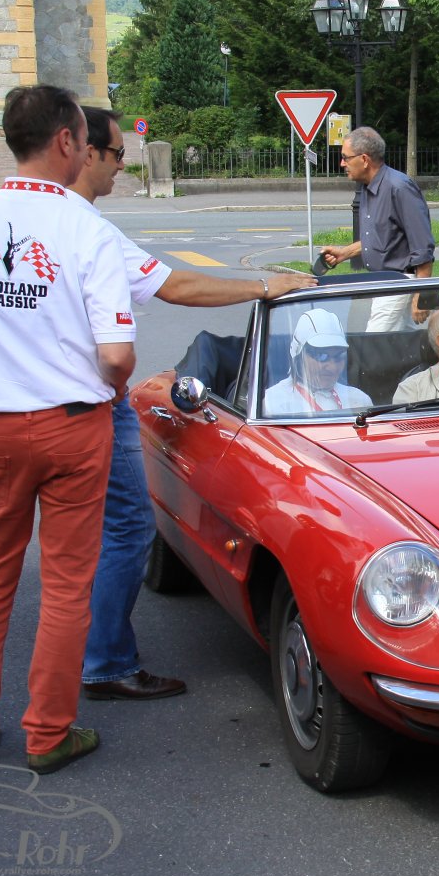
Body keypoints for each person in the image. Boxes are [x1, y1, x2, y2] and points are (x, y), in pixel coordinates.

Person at [69, 106, 314, 701]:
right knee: (124, 529)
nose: (121, 166)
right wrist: (265, 285)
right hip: (80, 409)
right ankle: (100, 666)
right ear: (81, 149)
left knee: (2, 565)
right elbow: (170, 291)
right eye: (118, 154)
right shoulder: (84, 228)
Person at [0, 84, 135, 776]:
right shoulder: (85, 227)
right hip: (73, 426)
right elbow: (116, 355)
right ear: (67, 141)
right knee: (67, 583)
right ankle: (48, 732)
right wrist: (109, 390)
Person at [320, 126, 435, 331]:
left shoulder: (399, 187)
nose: (342, 163)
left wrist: (422, 294)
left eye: (346, 158)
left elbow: (422, 246)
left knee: (373, 343)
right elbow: (381, 238)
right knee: (406, 345)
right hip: (383, 282)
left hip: (398, 282)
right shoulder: (368, 187)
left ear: (364, 159)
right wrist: (344, 253)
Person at [262, 309, 372, 415]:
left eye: (338, 357)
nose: (332, 367)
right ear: (299, 356)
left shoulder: (360, 400)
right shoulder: (272, 403)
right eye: (322, 357)